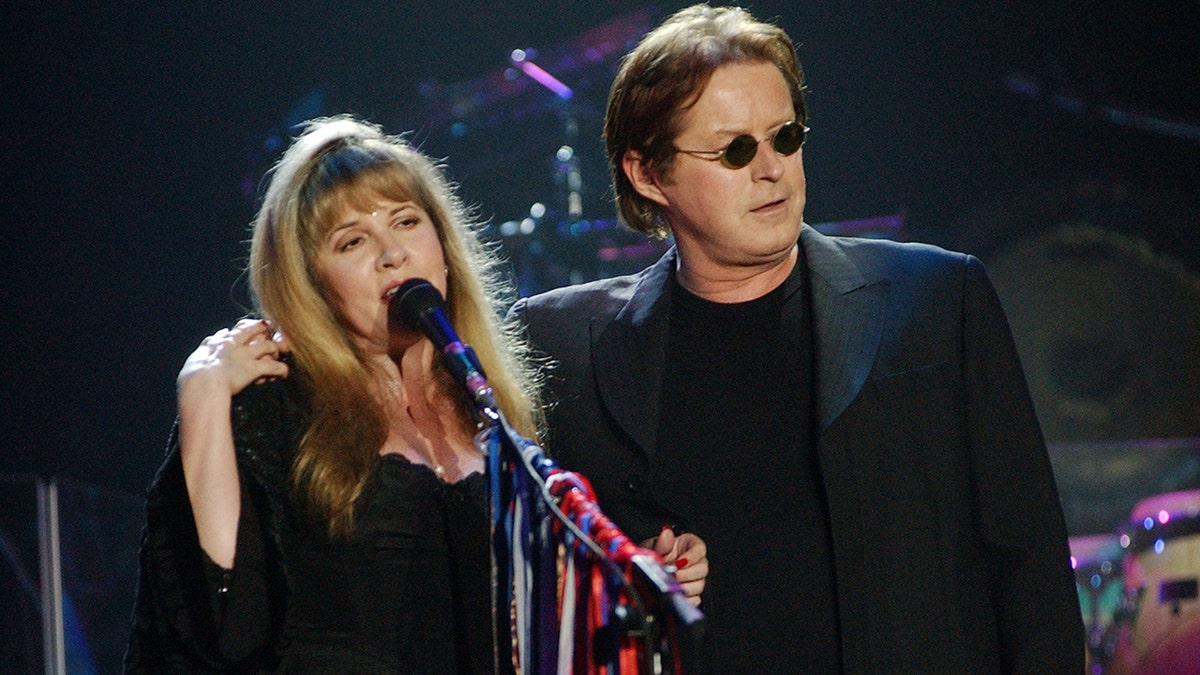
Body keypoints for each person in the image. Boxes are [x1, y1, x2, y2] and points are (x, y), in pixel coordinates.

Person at [510, 5, 1085, 672]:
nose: (771, 168)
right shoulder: (560, 344)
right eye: (733, 150)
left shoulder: (935, 297)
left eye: (786, 136)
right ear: (647, 173)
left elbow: (1030, 561)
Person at [125, 116, 706, 673]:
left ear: (444, 248)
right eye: (352, 241)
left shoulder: (497, 421)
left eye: (405, 222)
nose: (391, 253)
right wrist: (201, 395)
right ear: (312, 284)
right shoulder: (272, 408)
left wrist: (638, 579)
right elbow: (224, 625)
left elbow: (539, 637)